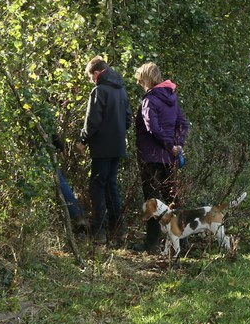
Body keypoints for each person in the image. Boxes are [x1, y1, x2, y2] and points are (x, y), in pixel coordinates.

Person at [132, 62, 190, 252]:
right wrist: (177, 145)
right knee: (172, 196)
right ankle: (184, 240)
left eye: (140, 80)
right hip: (169, 157)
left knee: (152, 199)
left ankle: (152, 243)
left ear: (146, 79)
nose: (140, 83)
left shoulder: (149, 100)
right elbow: (182, 123)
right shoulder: (171, 98)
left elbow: (152, 127)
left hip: (151, 156)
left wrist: (168, 144)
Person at [76, 57, 132, 245]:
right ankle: (119, 230)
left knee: (97, 187)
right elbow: (128, 120)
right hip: (117, 146)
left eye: (91, 77)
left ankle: (99, 232)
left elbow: (93, 121)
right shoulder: (122, 90)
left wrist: (83, 140)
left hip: (101, 147)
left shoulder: (99, 90)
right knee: (111, 187)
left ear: (97, 72)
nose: (92, 80)